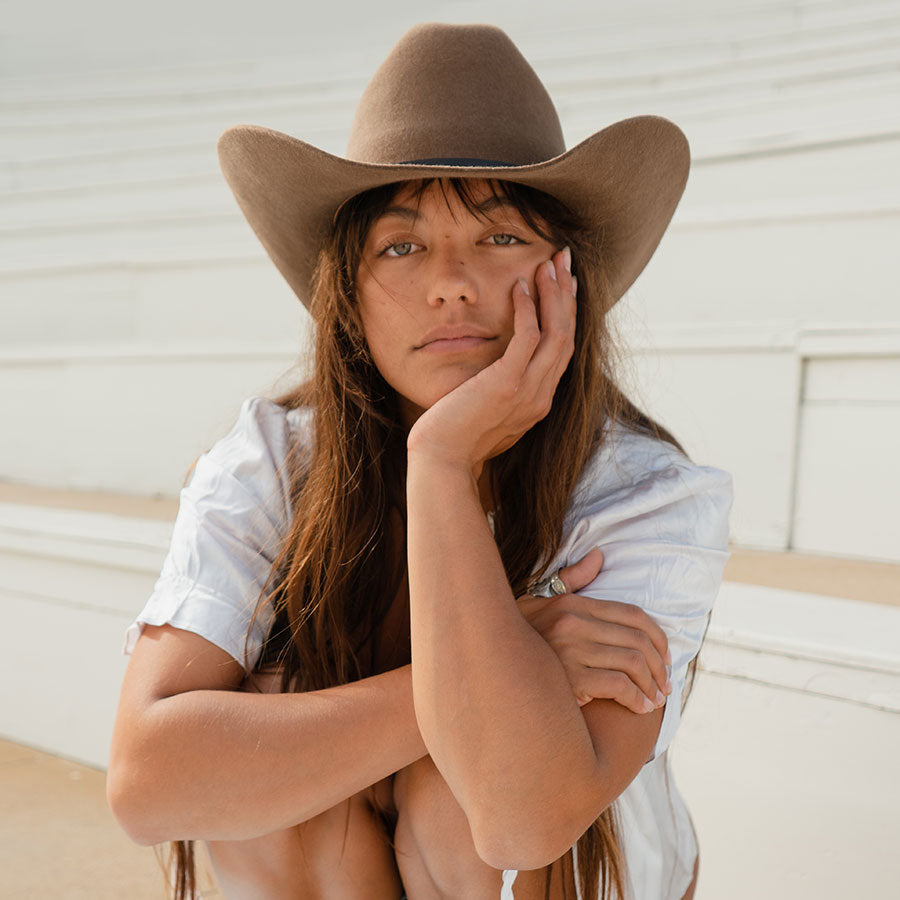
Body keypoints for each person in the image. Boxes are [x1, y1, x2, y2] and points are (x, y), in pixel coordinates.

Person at [107, 22, 732, 900]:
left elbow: (522, 818)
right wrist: (500, 658)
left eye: (499, 237)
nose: (451, 282)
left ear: (568, 274)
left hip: (563, 875)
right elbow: (146, 785)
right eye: (400, 246)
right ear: (349, 297)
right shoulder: (272, 463)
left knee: (458, 798)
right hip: (350, 869)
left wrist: (438, 461)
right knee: (279, 764)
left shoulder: (643, 494)